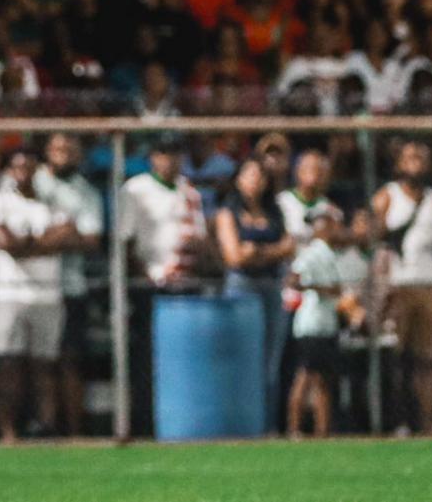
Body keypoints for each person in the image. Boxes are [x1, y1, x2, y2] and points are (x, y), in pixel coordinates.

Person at [118, 134, 206, 437]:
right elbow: (125, 242)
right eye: (164, 153)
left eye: (175, 153)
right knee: (147, 361)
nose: (170, 160)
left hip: (185, 285)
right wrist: (144, 278)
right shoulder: (136, 189)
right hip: (151, 287)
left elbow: (200, 238)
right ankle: (145, 426)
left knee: (182, 361)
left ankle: (183, 422)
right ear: (153, 156)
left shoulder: (188, 191)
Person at [0, 148, 67, 442]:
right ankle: (7, 429)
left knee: (45, 365)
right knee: (9, 364)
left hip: (47, 294)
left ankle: (47, 426)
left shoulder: (53, 202)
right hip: (9, 294)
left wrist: (26, 243)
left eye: (29, 167)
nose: (24, 173)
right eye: (18, 167)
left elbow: (65, 237)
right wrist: (39, 242)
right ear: (9, 171)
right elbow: (4, 241)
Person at [373, 138, 432, 436]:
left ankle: (428, 421)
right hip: (398, 284)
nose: (416, 161)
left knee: (427, 358)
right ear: (399, 163)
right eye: (410, 156)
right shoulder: (387, 197)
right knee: (396, 356)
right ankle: (398, 421)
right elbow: (375, 237)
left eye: (421, 156)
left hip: (428, 283)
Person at [31, 132, 103, 436]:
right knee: (40, 362)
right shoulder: (30, 182)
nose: (64, 154)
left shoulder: (85, 192)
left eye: (70, 149)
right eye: (58, 148)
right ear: (47, 150)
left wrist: (46, 239)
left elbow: (90, 239)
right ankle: (44, 425)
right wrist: (61, 234)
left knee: (71, 358)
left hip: (70, 285)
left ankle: (75, 430)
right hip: (31, 285)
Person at [215, 156, 294, 423]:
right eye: (249, 174)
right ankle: (240, 421)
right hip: (242, 288)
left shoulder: (274, 212)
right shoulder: (228, 212)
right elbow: (234, 257)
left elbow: (288, 247)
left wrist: (256, 251)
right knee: (241, 358)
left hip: (272, 286)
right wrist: (270, 252)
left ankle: (267, 422)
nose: (255, 181)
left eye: (260, 176)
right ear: (238, 179)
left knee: (270, 361)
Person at [287, 206, 347, 438]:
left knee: (322, 378)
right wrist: (320, 289)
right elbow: (294, 279)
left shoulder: (328, 253)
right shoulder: (312, 253)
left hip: (324, 322)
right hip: (311, 323)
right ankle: (295, 429)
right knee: (305, 375)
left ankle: (322, 431)